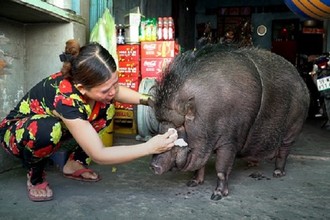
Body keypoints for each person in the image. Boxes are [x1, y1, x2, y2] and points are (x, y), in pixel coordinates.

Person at [0, 39, 178, 202]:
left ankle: (74, 164)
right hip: (16, 134)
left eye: (115, 83)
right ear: (81, 88)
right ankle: (36, 176)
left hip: (56, 126)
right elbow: (99, 154)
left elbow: (114, 92)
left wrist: (149, 100)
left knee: (106, 106)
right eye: (105, 89)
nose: (113, 91)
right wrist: (150, 147)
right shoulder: (65, 98)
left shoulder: (90, 84)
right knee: (48, 129)